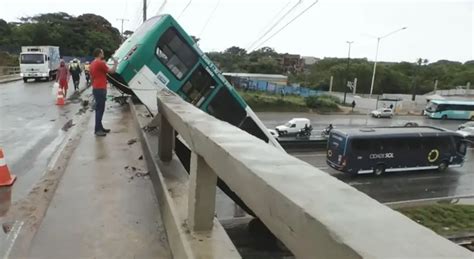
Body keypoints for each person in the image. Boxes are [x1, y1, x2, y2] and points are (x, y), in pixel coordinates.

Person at [89, 48, 118, 136]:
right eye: (102, 52)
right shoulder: (100, 63)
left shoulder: (92, 63)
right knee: (100, 110)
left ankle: (100, 127)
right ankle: (97, 130)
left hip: (96, 87)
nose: (103, 53)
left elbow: (91, 77)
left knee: (99, 109)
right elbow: (112, 71)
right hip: (101, 88)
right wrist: (116, 63)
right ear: (99, 54)